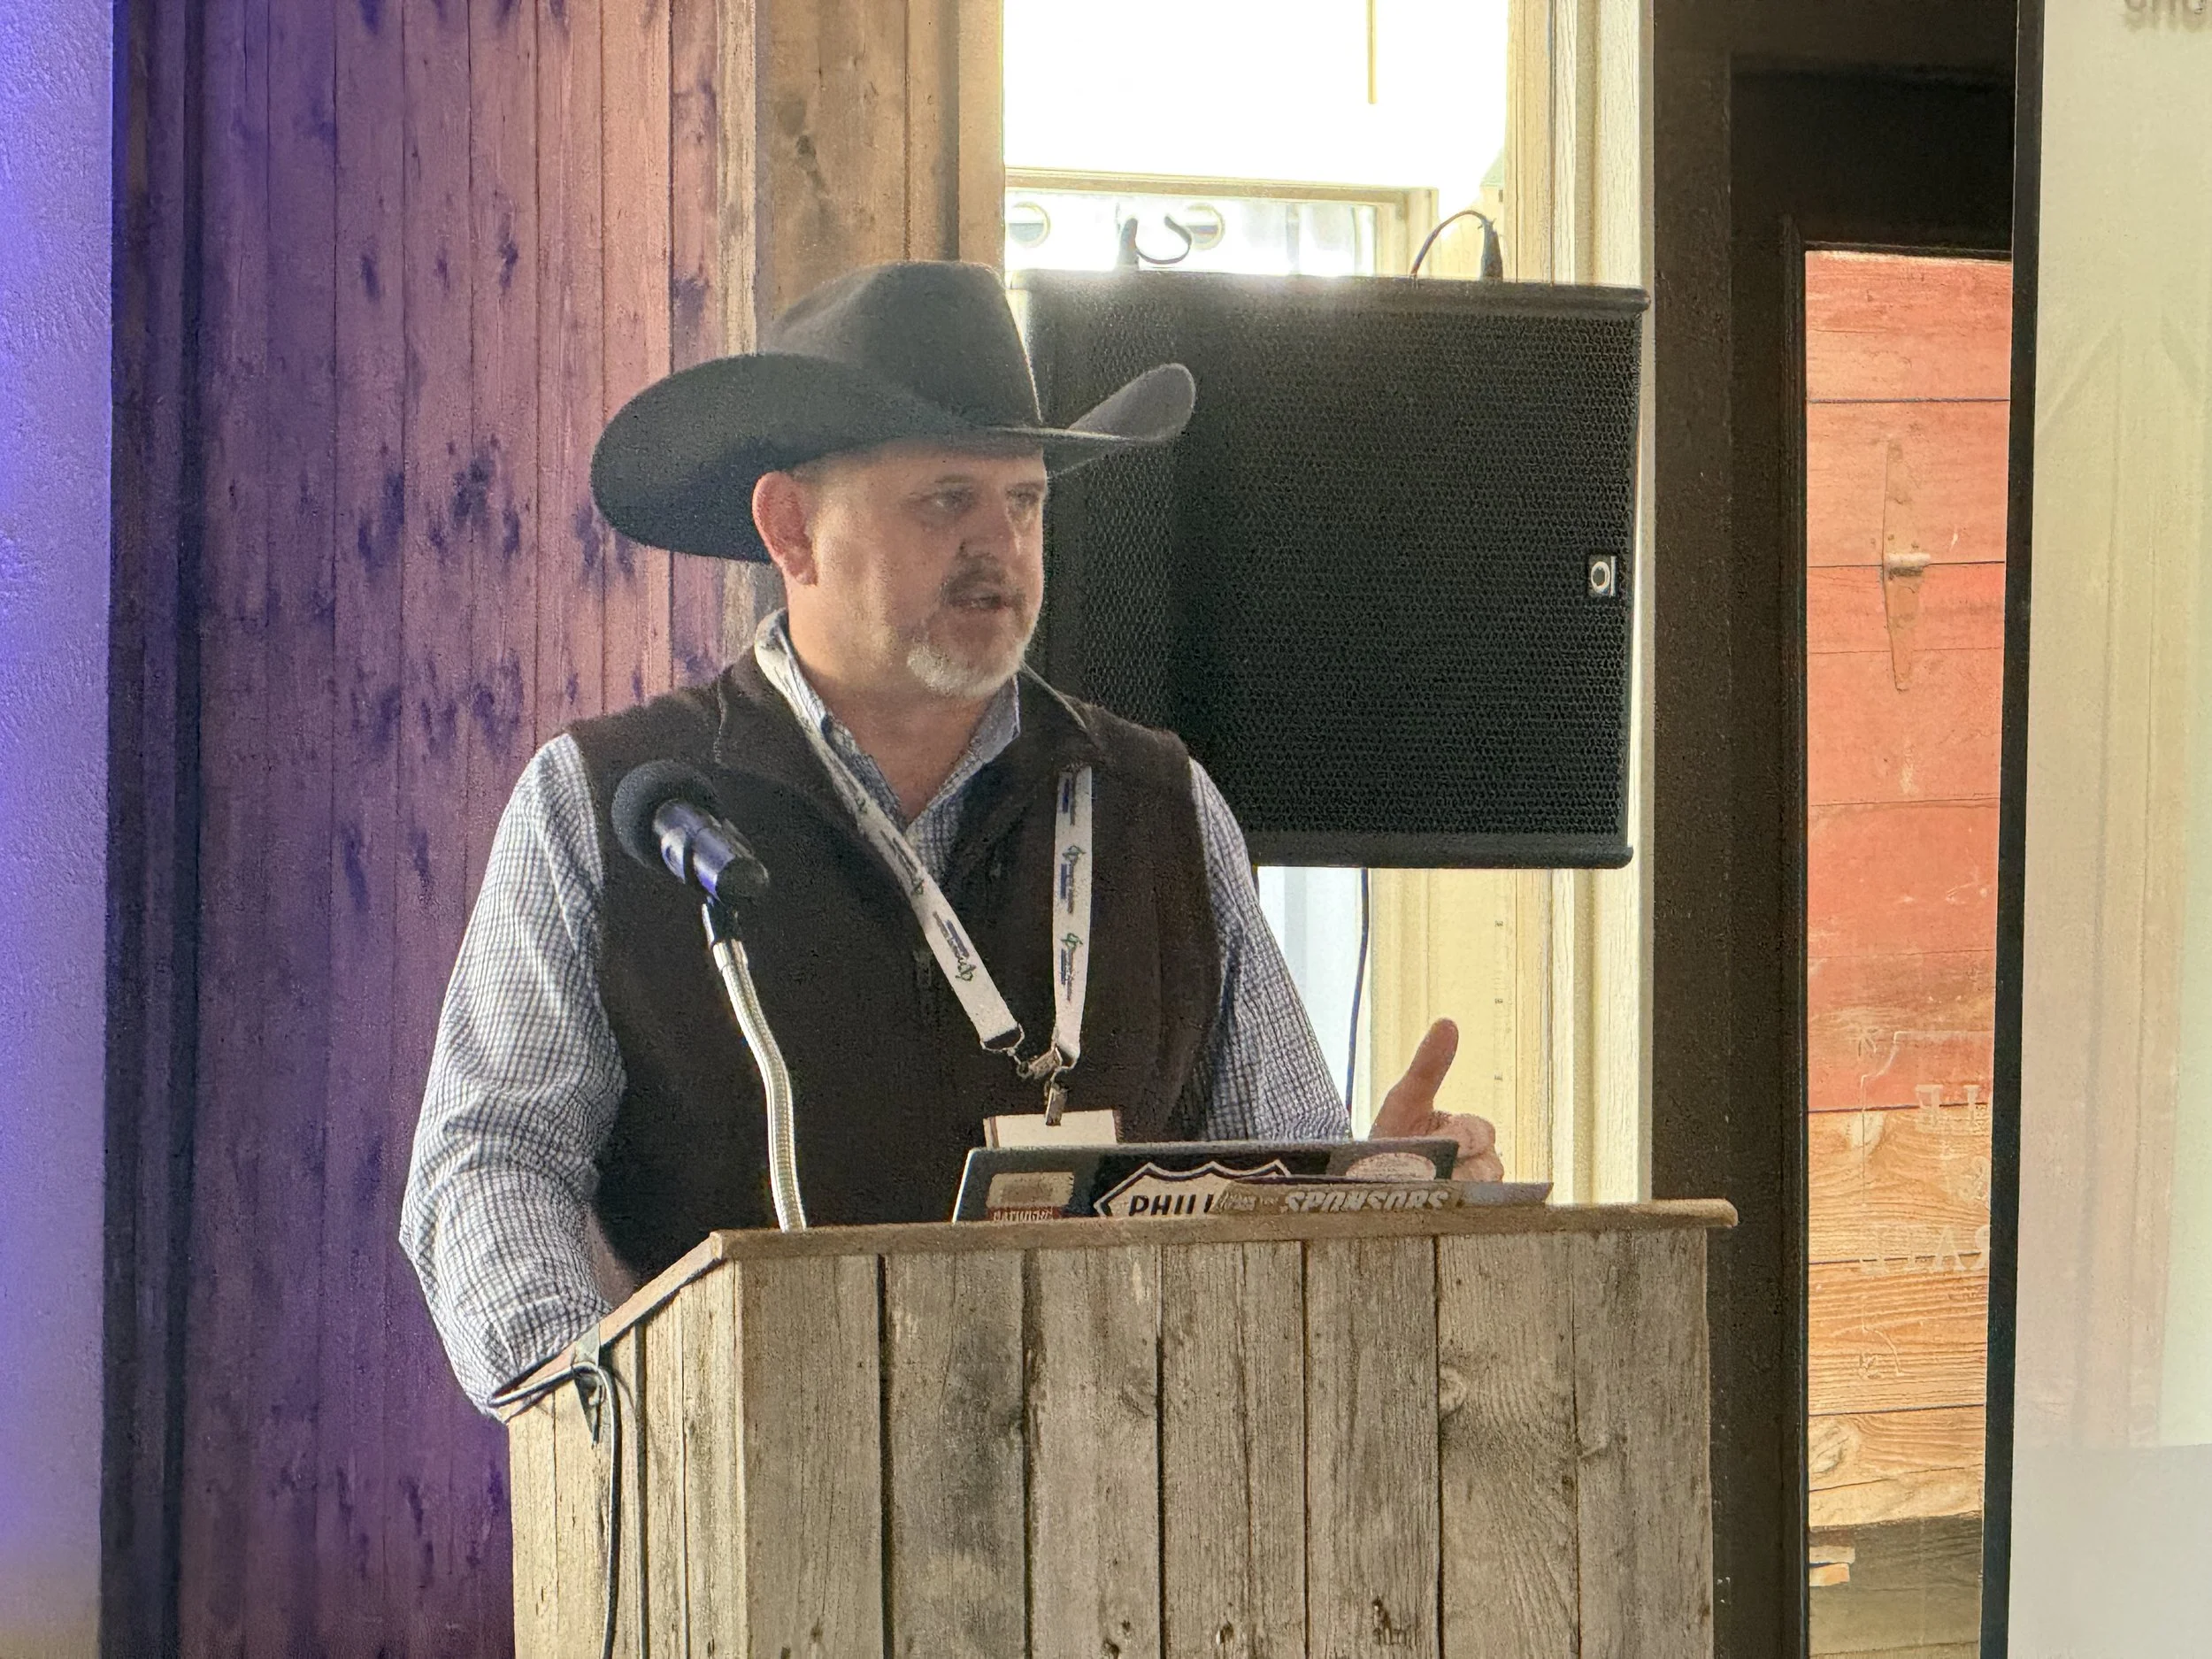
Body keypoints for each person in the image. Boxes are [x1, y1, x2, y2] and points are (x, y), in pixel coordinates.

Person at [401, 260, 1500, 1412]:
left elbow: (1273, 1177)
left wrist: (1374, 1196)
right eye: (945, 501)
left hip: (1132, 1537)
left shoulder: (1156, 805)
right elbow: (488, 1162)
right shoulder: (616, 804)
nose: (1000, 546)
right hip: (752, 1524)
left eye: (1022, 502)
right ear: (791, 529)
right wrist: (605, 1416)